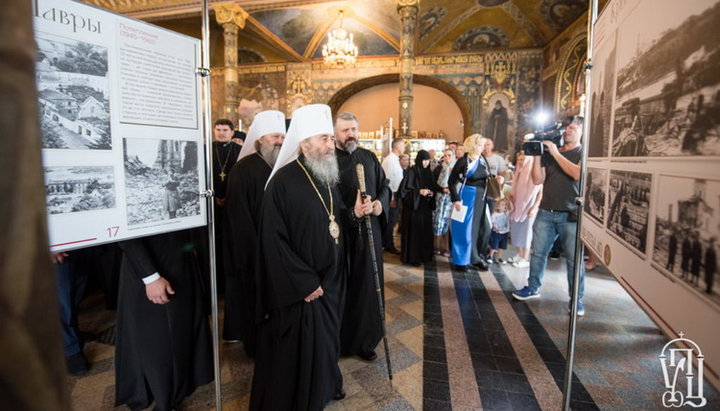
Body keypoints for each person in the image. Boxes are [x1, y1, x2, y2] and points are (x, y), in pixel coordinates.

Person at [251, 104, 367, 410]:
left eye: (331, 138)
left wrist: (352, 214)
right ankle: (304, 398)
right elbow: (272, 241)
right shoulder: (281, 183)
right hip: (304, 288)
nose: (331, 145)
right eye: (324, 139)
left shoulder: (325, 175)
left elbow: (333, 219)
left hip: (332, 280)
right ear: (304, 144)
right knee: (304, 349)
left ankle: (326, 385)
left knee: (327, 343)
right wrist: (303, 282)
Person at [115, 230, 214, 411]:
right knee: (157, 340)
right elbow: (123, 231)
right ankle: (164, 398)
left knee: (178, 332)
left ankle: (177, 387)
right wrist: (150, 276)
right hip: (150, 269)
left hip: (179, 258)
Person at [223, 110, 286, 353]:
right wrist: (256, 255)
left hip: (279, 250)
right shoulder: (242, 170)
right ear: (260, 139)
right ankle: (256, 345)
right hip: (254, 252)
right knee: (254, 302)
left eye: (282, 136)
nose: (279, 141)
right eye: (274, 137)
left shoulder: (282, 166)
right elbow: (239, 219)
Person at [512, 115, 587, 317]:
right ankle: (533, 287)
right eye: (567, 127)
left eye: (573, 127)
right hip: (546, 211)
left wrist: (554, 152)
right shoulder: (549, 154)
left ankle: (576, 300)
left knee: (574, 260)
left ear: (581, 131)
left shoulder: (582, 152)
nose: (568, 130)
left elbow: (577, 174)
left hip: (570, 214)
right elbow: (538, 179)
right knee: (538, 254)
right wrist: (537, 155)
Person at [334, 112, 391, 362]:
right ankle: (341, 340)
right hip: (343, 235)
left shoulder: (368, 156)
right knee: (346, 287)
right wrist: (351, 212)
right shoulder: (327, 160)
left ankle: (366, 340)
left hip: (370, 233)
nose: (351, 135)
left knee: (369, 287)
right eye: (345, 130)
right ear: (335, 132)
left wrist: (379, 204)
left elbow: (384, 186)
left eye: (354, 129)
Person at [448, 134, 491, 271]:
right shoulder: (463, 161)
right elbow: (451, 181)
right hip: (466, 197)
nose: (482, 148)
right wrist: (456, 200)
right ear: (473, 145)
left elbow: (485, 176)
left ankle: (475, 257)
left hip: (481, 198)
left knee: (479, 229)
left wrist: (497, 179)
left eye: (483, 145)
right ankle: (461, 260)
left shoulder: (483, 159)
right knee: (464, 229)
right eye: (480, 145)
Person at [399, 150, 438, 266]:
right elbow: (403, 192)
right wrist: (418, 192)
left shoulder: (428, 173)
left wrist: (432, 193)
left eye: (427, 160)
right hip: (413, 209)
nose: (425, 163)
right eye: (423, 160)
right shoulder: (412, 172)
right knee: (414, 233)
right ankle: (413, 257)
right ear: (418, 160)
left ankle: (425, 255)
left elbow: (433, 187)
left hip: (425, 208)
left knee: (424, 232)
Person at [507, 151, 542, 268]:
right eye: (519, 160)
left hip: (529, 208)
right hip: (517, 206)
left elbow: (540, 193)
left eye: (523, 159)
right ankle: (519, 254)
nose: (520, 162)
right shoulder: (518, 171)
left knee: (526, 233)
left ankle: (525, 258)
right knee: (517, 231)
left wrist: (534, 207)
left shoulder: (535, 172)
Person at [381, 138, 406, 254]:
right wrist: (391, 198)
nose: (404, 148)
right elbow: (387, 181)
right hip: (392, 195)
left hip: (395, 194)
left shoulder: (394, 160)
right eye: (403, 146)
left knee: (392, 220)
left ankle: (387, 242)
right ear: (397, 146)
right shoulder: (390, 161)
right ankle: (388, 244)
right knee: (390, 221)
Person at [432, 148, 456, 257]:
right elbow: (433, 183)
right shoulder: (439, 168)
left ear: (453, 156)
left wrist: (452, 190)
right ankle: (436, 246)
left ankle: (446, 247)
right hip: (440, 198)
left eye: (449, 155)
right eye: (445, 155)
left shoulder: (456, 168)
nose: (447, 157)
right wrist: (442, 189)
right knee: (438, 221)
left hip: (451, 199)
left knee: (448, 223)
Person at [487, 198, 512, 264]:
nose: (505, 206)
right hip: (497, 233)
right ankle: (490, 256)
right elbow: (493, 222)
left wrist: (510, 201)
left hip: (504, 233)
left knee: (502, 247)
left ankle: (499, 257)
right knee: (494, 246)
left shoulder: (506, 213)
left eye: (506, 205)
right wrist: (496, 228)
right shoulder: (495, 214)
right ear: (498, 206)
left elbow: (512, 208)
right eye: (502, 205)